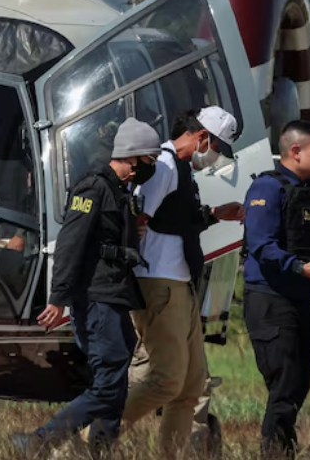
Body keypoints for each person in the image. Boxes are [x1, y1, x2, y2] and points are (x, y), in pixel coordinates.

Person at [12, 117, 161, 458]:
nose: (151, 168)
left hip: (114, 295)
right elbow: (71, 243)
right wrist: (58, 298)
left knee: (116, 385)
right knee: (109, 387)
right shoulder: (93, 188)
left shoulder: (118, 192)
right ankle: (38, 441)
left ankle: (100, 451)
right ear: (133, 156)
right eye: (149, 161)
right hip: (96, 299)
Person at [120, 107, 244, 453]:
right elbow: (139, 218)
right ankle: (90, 438)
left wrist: (216, 215)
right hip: (160, 284)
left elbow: (174, 218)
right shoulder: (163, 166)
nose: (216, 156)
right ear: (203, 137)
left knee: (190, 388)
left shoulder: (182, 170)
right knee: (165, 382)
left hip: (179, 285)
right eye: (218, 147)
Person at [242, 120, 310, 458]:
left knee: (299, 382)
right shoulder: (266, 188)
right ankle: (276, 452)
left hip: (303, 301)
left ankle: (281, 450)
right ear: (295, 151)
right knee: (285, 383)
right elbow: (261, 245)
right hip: (270, 301)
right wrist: (299, 266)